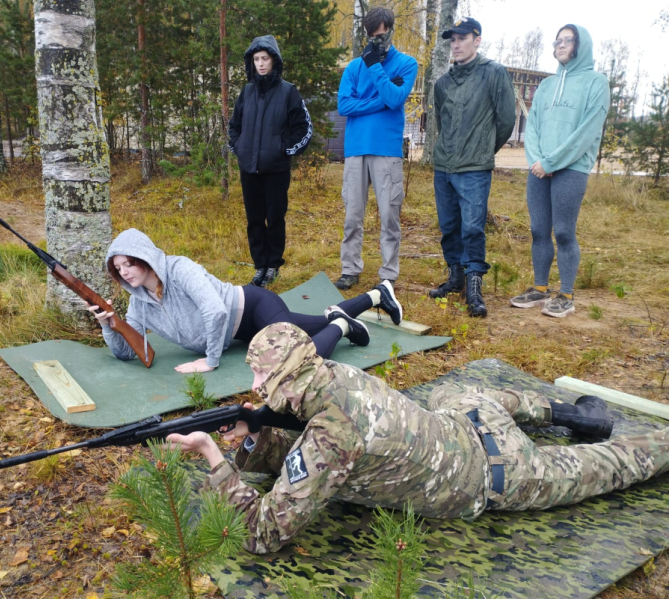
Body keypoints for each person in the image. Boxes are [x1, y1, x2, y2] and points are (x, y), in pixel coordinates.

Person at [167, 322, 669, 555]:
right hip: (468, 421)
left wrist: (215, 458)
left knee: (605, 469)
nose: (256, 388)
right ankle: (562, 411)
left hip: (497, 477)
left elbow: (263, 534)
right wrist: (253, 439)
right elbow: (311, 450)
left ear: (293, 381)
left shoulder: (329, 437)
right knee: (461, 391)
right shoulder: (336, 374)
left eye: (265, 380)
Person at [87, 229, 403, 373]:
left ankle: (344, 329)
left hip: (252, 306)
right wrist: (108, 326)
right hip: (242, 335)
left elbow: (216, 311)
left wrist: (210, 362)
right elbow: (130, 353)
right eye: (118, 269)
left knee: (294, 362)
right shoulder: (139, 304)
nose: (125, 273)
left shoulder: (179, 268)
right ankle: (378, 295)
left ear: (146, 257)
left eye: (129, 263)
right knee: (317, 323)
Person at [510, 25, 609, 318]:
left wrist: (552, 162)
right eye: (558, 41)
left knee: (564, 232)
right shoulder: (547, 86)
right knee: (538, 229)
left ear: (582, 45)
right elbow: (533, 126)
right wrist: (538, 161)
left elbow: (587, 132)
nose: (561, 45)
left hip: (572, 168)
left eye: (569, 40)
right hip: (539, 169)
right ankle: (540, 289)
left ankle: (566, 294)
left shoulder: (596, 82)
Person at [429, 17, 516, 317]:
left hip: (474, 168)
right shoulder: (442, 83)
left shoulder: (494, 73)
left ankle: (475, 287)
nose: (455, 44)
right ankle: (456, 278)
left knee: (473, 228)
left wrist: (482, 150)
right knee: (449, 225)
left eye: (462, 38)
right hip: (444, 166)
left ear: (477, 40)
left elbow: (506, 121)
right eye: (452, 39)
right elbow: (441, 123)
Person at [333, 6, 418, 291]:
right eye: (372, 36)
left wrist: (377, 71)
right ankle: (350, 268)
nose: (377, 41)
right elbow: (344, 105)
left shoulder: (407, 64)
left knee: (389, 215)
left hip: (386, 149)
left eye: (381, 35)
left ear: (391, 31)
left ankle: (388, 273)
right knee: (352, 214)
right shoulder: (355, 67)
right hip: (356, 149)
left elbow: (396, 98)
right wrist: (380, 101)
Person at [229, 35, 312, 289]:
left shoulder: (288, 91)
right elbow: (234, 126)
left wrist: (282, 150)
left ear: (274, 60)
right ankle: (259, 266)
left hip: (275, 169)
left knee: (274, 218)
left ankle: (273, 265)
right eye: (256, 59)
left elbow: (304, 129)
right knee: (254, 219)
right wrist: (240, 148)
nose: (261, 64)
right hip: (249, 170)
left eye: (265, 58)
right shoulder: (247, 91)